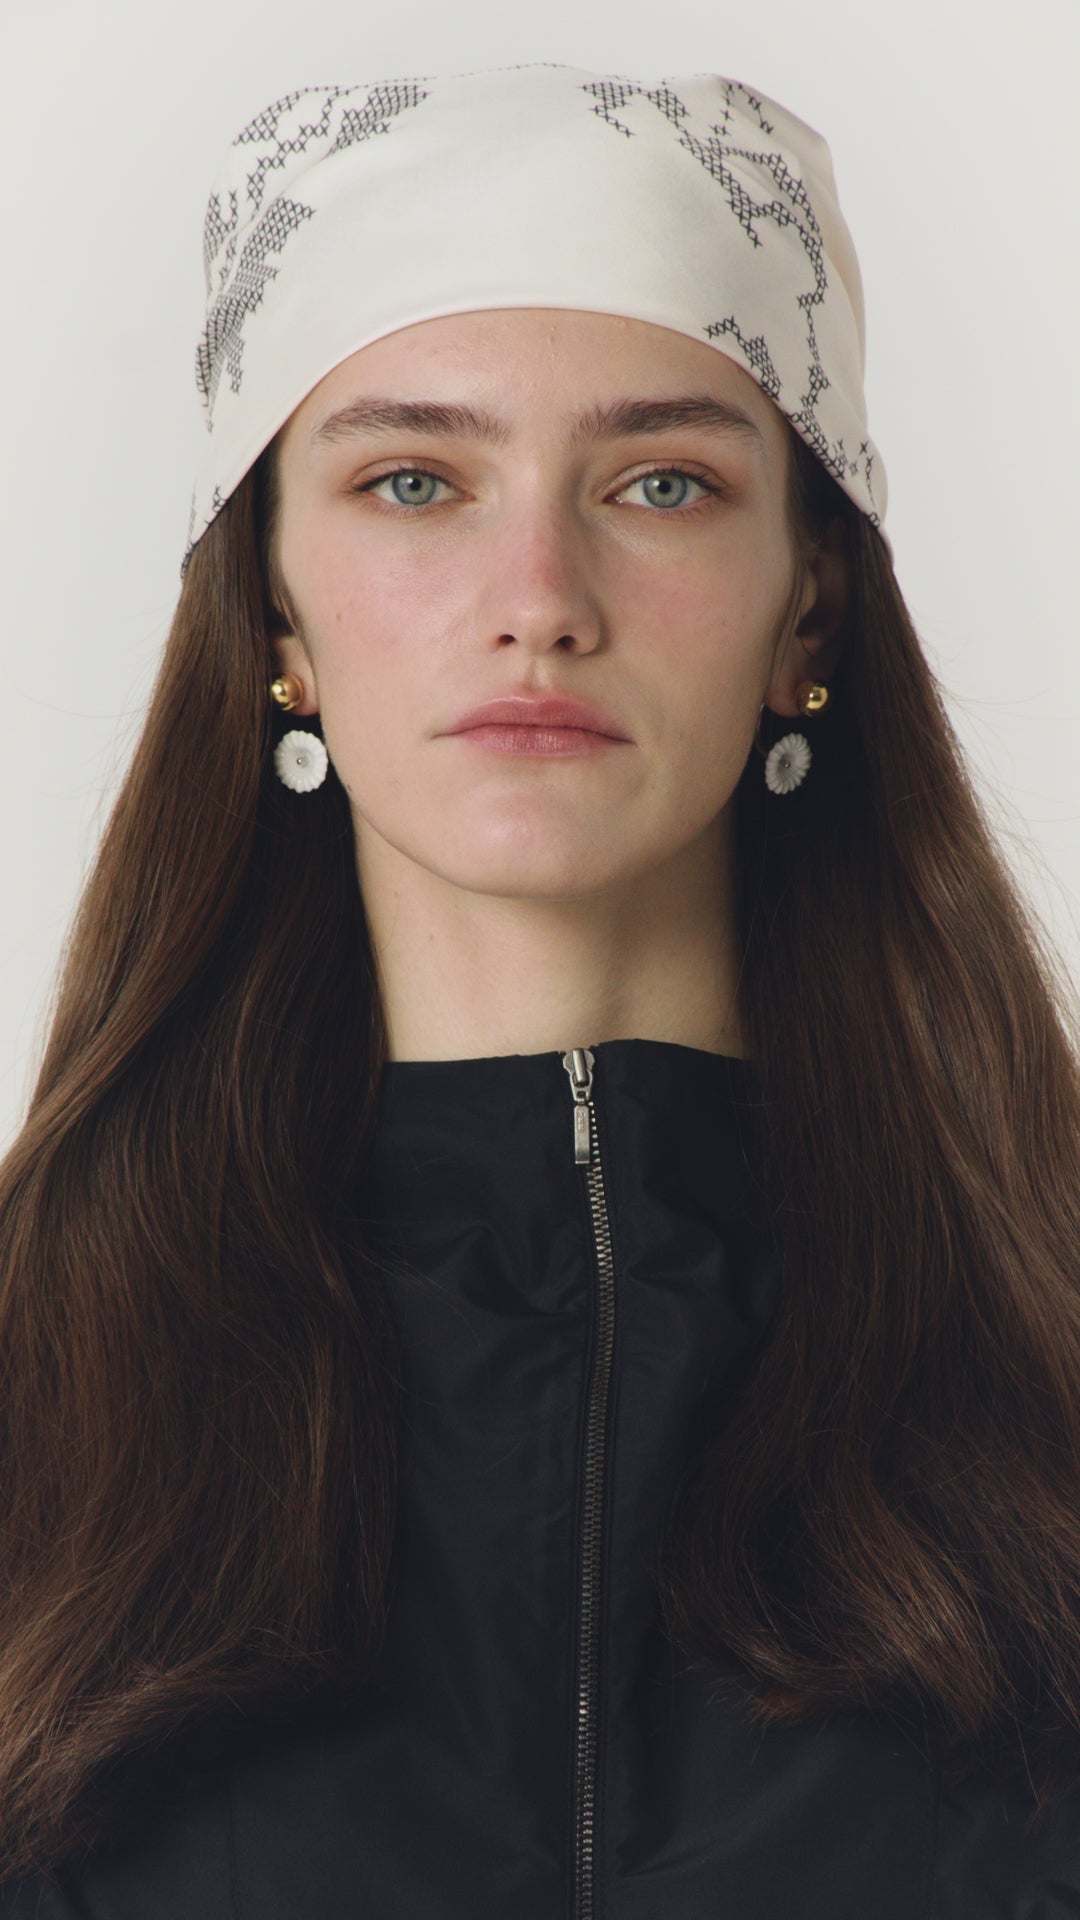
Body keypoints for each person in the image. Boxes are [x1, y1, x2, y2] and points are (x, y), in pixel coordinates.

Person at [0, 60, 1079, 1919]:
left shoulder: (1048, 1371)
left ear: (808, 606)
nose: (539, 597)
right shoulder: (43, 1410)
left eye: (662, 483)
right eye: (413, 481)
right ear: (275, 611)